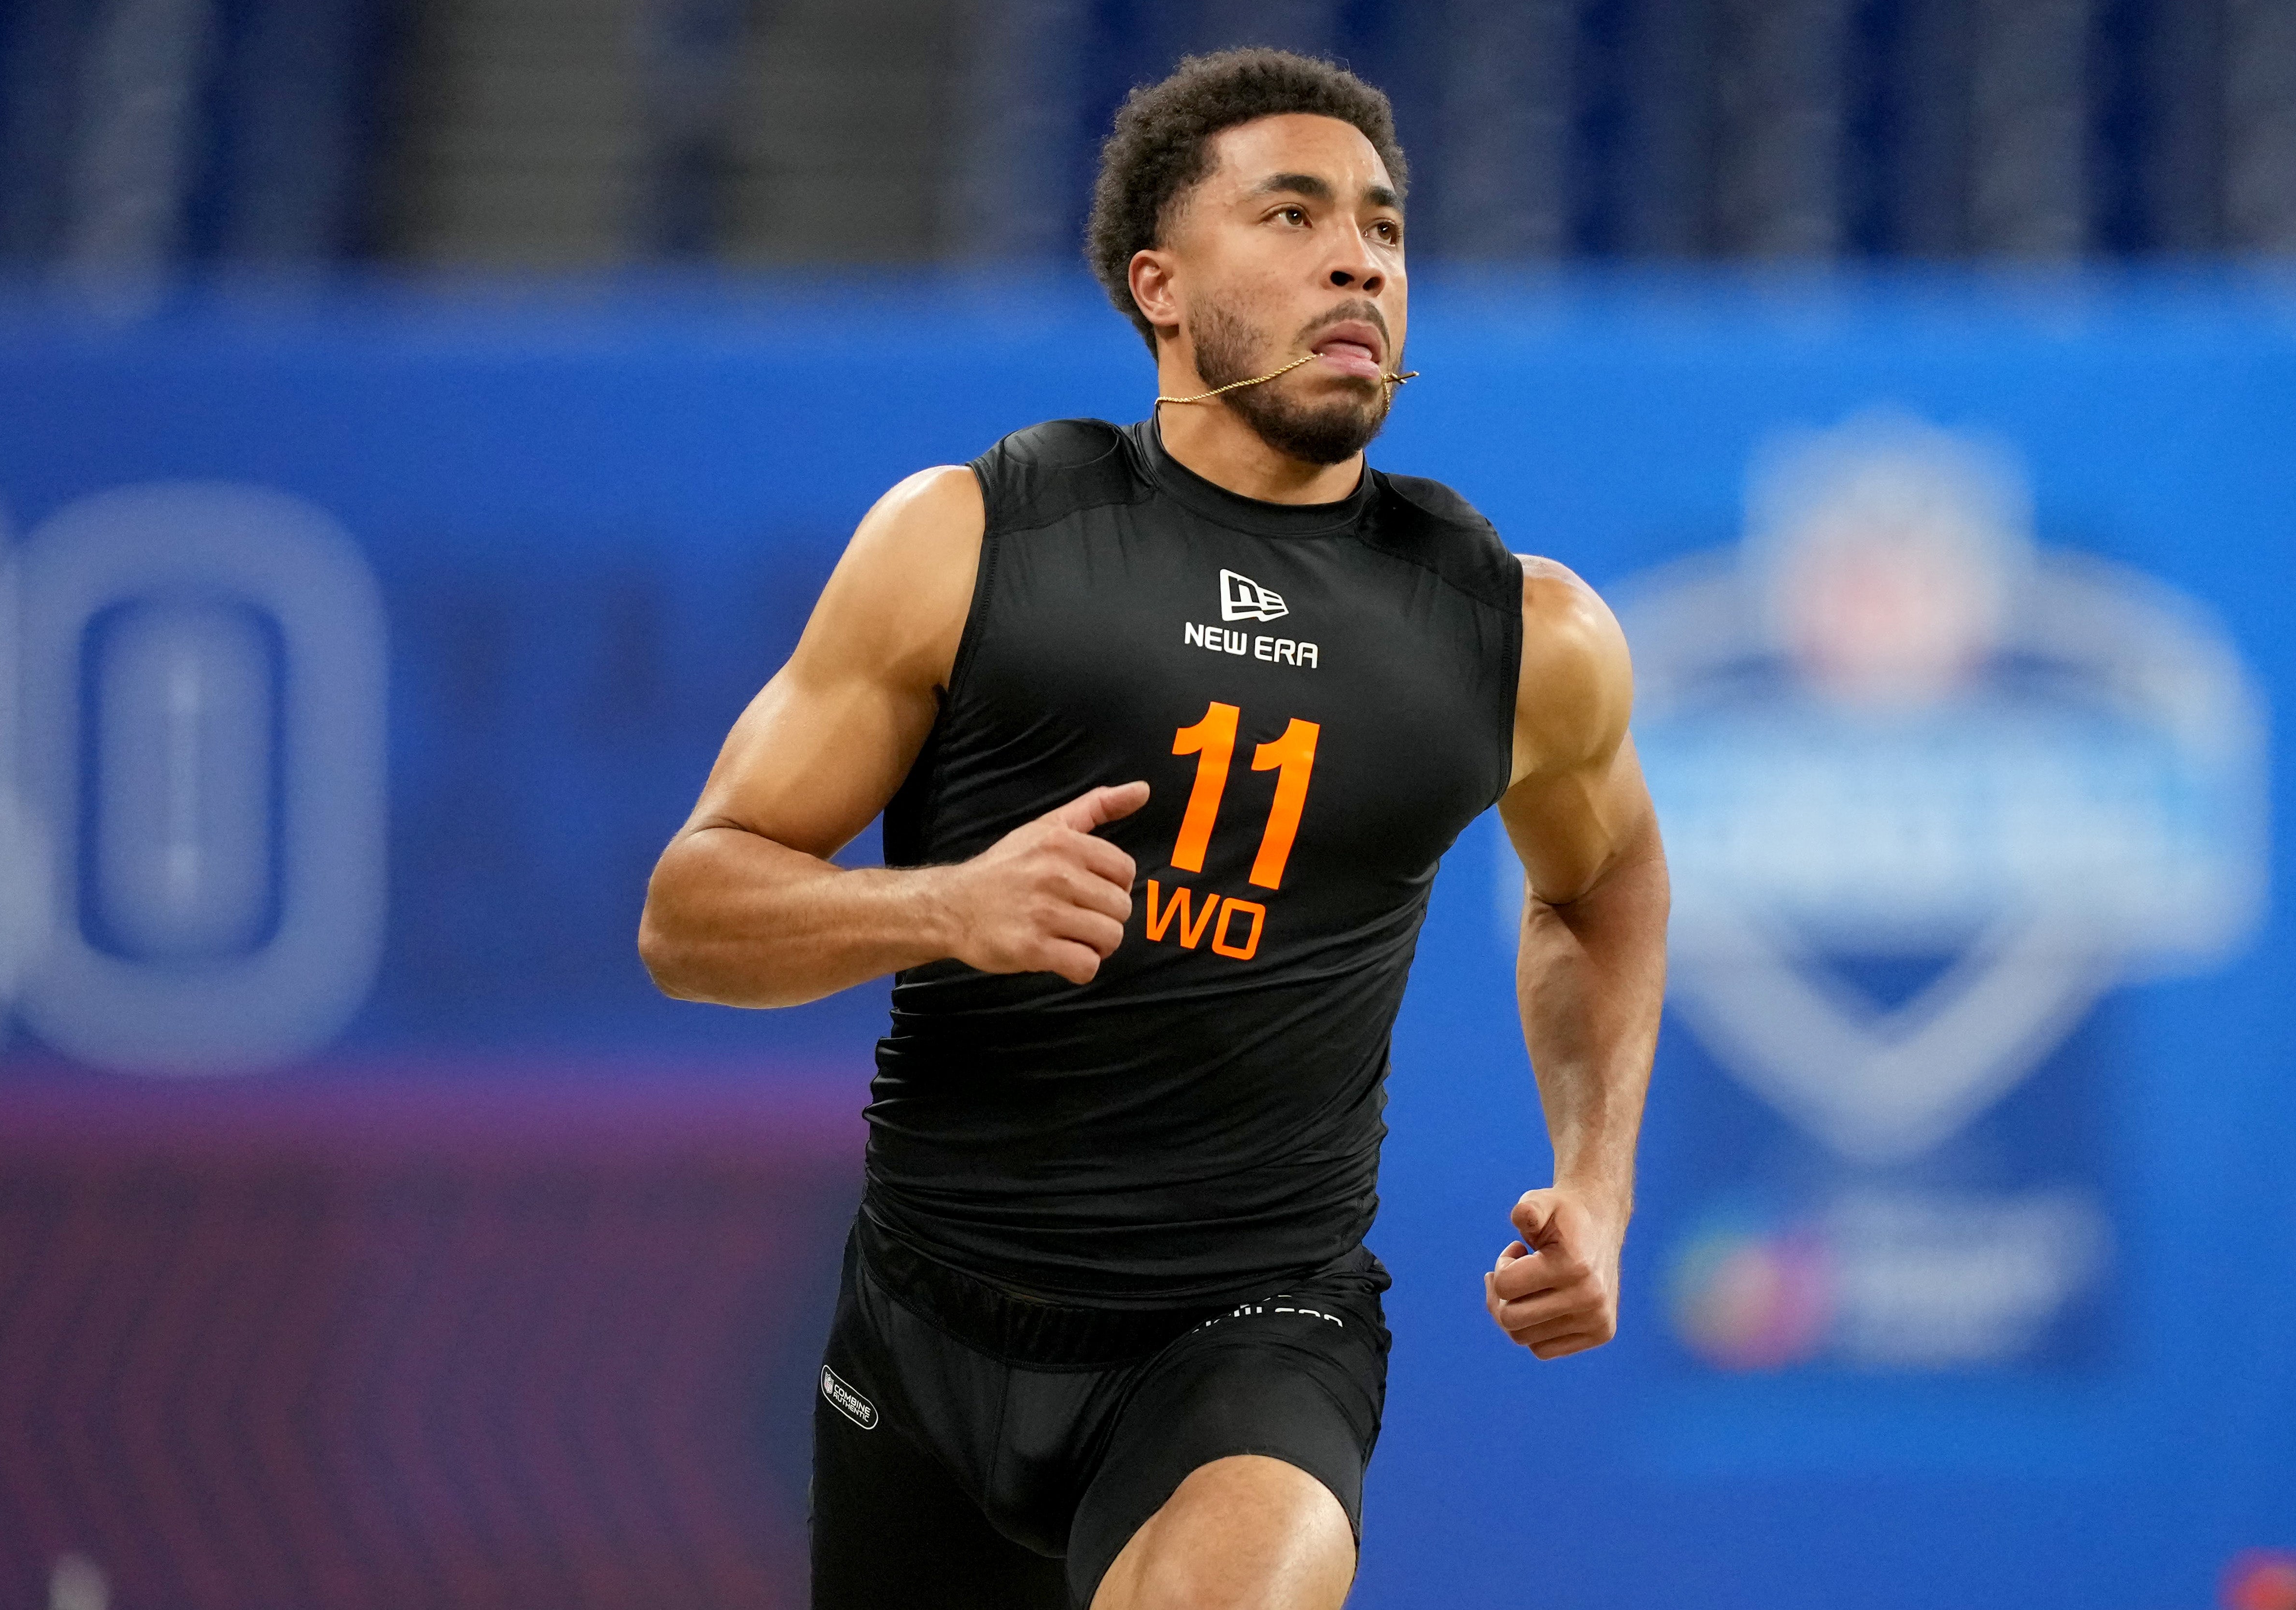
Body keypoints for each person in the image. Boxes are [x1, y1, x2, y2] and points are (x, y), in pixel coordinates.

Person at [638, 47, 1668, 1610]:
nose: (1358, 258)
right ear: (1159, 284)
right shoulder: (971, 538)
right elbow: (691, 918)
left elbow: (1600, 887)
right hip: (925, 1333)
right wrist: (942, 909)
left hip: (1251, 1338)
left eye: (1385, 229)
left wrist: (1596, 1179)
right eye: (1293, 213)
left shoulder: (1521, 630)